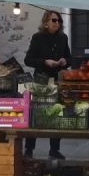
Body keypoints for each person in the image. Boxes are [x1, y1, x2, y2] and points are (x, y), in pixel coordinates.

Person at [23, 11, 72, 160]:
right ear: (46, 23)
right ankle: (29, 149)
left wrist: (64, 61)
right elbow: (28, 60)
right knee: (36, 114)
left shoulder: (63, 38)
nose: (57, 23)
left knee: (57, 114)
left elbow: (69, 58)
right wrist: (45, 62)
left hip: (57, 79)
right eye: (54, 20)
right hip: (41, 79)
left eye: (59, 21)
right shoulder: (38, 38)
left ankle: (54, 149)